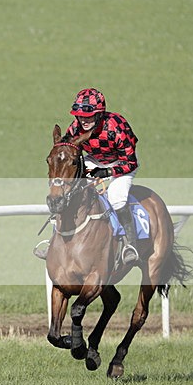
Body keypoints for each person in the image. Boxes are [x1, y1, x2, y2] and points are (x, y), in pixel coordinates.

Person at [65, 88, 140, 265]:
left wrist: (107, 173)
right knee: (68, 193)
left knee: (116, 199)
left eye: (88, 116)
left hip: (121, 164)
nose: (83, 120)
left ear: (99, 115)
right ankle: (57, 239)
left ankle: (130, 245)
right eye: (80, 115)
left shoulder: (117, 127)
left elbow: (131, 163)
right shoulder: (75, 128)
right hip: (94, 161)